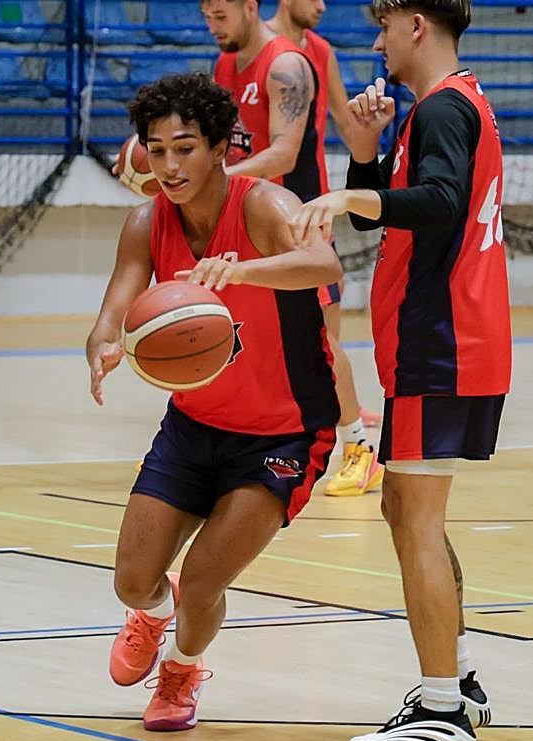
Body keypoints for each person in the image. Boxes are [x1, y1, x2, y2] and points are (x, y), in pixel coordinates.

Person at [87, 72, 342, 732]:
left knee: (203, 581)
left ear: (220, 147)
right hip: (193, 424)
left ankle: (180, 672)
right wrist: (104, 343)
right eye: (157, 149)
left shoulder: (263, 206)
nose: (168, 165)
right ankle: (152, 609)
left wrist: (245, 269)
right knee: (129, 581)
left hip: (284, 433)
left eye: (184, 147)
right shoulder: (145, 220)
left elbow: (324, 264)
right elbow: (115, 305)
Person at [292, 0, 510, 741]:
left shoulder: (446, 109)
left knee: (413, 519)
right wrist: (361, 155)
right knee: (405, 508)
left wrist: (353, 192)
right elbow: (402, 215)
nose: (376, 42)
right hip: (443, 345)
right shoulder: (442, 109)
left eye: (384, 26)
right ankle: (456, 683)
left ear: (416, 25)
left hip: (442, 344)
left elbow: (441, 203)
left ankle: (443, 713)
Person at [202, 0, 383, 498]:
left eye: (221, 15)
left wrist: (204, 179)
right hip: (245, 217)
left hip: (298, 224)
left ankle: (359, 450)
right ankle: (206, 445)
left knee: (322, 346)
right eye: (207, 17)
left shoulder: (287, 65)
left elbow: (283, 153)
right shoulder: (224, 65)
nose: (212, 26)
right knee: (226, 333)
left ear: (249, 7)